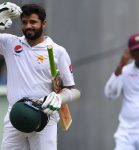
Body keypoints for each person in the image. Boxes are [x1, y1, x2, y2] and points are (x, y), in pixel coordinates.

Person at [0, 2, 80, 150]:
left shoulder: (57, 52)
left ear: (44, 23)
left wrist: (59, 98)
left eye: (33, 22)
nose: (28, 26)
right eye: (24, 22)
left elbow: (73, 91)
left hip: (44, 118)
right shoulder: (10, 43)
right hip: (15, 117)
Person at [104, 33, 139, 150]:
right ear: (131, 53)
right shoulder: (124, 71)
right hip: (127, 132)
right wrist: (121, 65)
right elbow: (110, 94)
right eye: (137, 50)